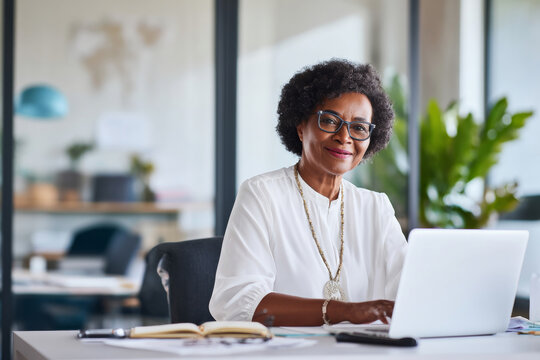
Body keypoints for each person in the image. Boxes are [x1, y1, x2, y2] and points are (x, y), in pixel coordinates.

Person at [209, 59, 407, 326]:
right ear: (301, 127)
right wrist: (343, 312)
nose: (345, 137)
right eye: (330, 120)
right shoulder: (261, 195)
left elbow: (410, 289)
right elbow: (237, 303)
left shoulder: (376, 208)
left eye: (359, 127)